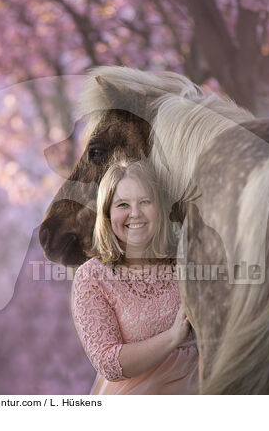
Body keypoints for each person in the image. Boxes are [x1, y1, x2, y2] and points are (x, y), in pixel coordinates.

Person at [71, 157, 198, 395]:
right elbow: (108, 362)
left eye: (145, 201)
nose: (135, 214)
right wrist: (172, 337)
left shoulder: (188, 260)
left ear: (159, 208)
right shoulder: (92, 277)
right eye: (122, 205)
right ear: (107, 213)